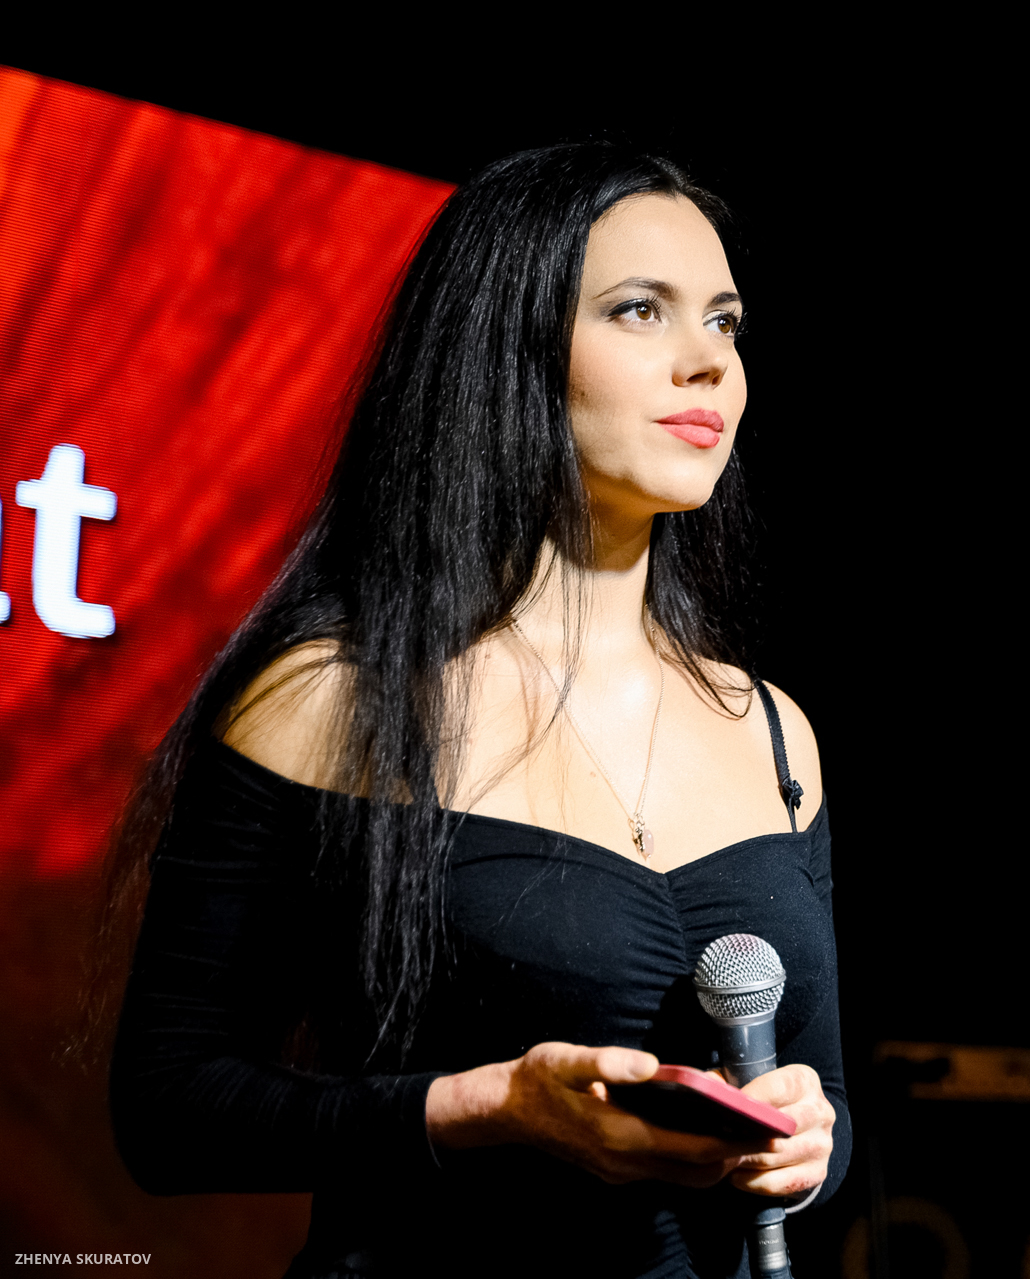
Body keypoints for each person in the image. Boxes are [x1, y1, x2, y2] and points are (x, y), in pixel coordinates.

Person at [103, 143, 846, 1278]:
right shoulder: (330, 698)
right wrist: (491, 1107)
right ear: (506, 342)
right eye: (640, 310)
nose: (710, 361)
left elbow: (827, 1105)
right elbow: (168, 1108)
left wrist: (804, 1145)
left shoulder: (774, 731)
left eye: (726, 322)